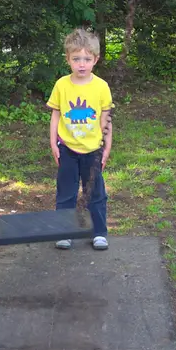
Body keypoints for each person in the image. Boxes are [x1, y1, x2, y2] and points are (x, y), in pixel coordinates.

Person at [46, 27, 114, 251]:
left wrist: (107, 147)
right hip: (67, 148)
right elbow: (56, 114)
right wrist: (53, 142)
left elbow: (106, 118)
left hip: (93, 149)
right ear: (68, 59)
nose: (81, 64)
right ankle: (64, 232)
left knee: (95, 192)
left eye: (87, 59)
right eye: (76, 59)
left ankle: (99, 232)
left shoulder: (101, 87)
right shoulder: (62, 85)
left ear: (95, 59)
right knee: (66, 192)